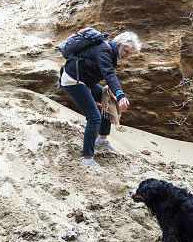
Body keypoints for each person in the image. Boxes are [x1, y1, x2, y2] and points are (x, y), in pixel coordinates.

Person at [60, 31, 142, 168]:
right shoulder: (104, 51)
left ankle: (102, 140)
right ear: (119, 45)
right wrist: (120, 95)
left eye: (130, 54)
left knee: (106, 98)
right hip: (73, 81)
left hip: (85, 81)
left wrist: (115, 94)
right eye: (126, 51)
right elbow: (109, 74)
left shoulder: (109, 51)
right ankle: (87, 158)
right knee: (94, 117)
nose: (127, 56)